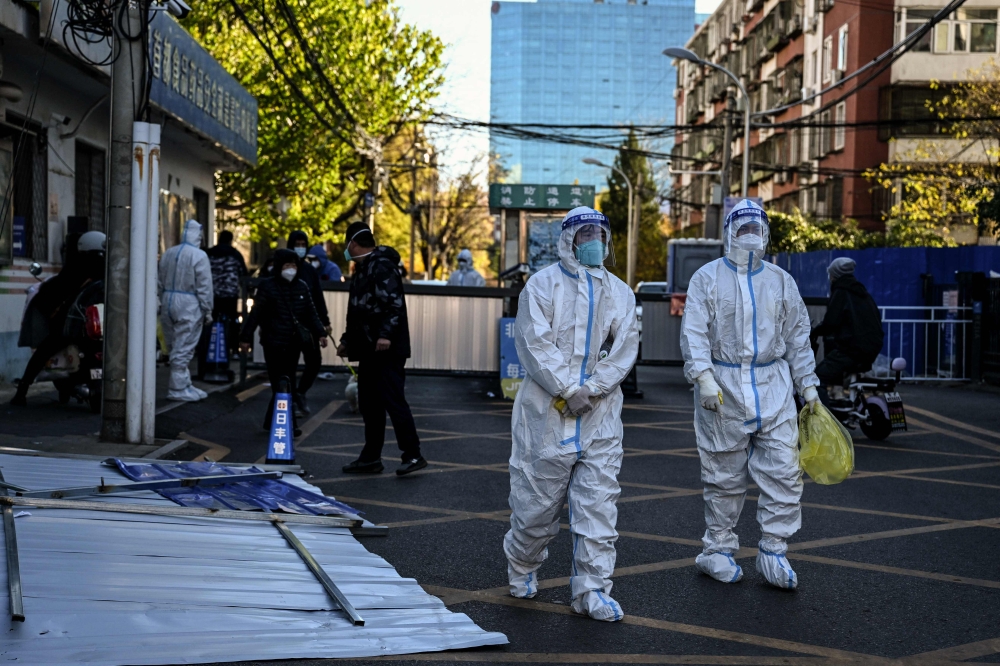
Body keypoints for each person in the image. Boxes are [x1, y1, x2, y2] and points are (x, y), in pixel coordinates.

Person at [504, 206, 639, 622]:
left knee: (598, 506)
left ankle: (593, 590)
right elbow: (532, 343)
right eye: (585, 235)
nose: (593, 241)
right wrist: (567, 388)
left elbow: (625, 347)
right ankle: (523, 565)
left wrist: (593, 390)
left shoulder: (620, 291)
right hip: (546, 412)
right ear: (568, 240)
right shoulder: (542, 286)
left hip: (600, 414)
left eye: (600, 233)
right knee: (535, 505)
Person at [679, 199, 820, 590]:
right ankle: (717, 550)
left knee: (784, 471)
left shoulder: (780, 280)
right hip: (724, 387)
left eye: (756, 228)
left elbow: (797, 335)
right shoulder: (707, 278)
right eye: (742, 228)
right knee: (723, 474)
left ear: (766, 233)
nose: (750, 235)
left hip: (773, 384)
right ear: (729, 233)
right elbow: (693, 332)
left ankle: (774, 551)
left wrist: (807, 384)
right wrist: (703, 377)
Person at [337, 222, 426, 476]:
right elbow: (357, 311)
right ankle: (370, 458)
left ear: (353, 243)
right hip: (368, 349)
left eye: (346, 244)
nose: (346, 249)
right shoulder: (363, 269)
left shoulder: (381, 265)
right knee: (369, 403)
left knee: (393, 400)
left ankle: (413, 454)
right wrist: (347, 340)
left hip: (387, 350)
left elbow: (393, 305)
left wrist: (385, 335)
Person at [11, 231, 106, 406]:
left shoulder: (75, 267)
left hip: (73, 325)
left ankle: (22, 390)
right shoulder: (107, 269)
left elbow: (53, 293)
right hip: (102, 326)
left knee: (44, 349)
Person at [240, 248, 328, 434]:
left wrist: (321, 332)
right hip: (273, 343)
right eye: (287, 265)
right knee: (281, 383)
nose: (291, 269)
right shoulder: (268, 286)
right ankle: (290, 424)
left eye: (294, 265)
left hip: (293, 343)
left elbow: (311, 313)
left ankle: (272, 422)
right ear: (279, 266)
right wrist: (245, 338)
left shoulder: (302, 286)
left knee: (284, 383)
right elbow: (255, 314)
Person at [811, 257, 884, 406]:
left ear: (834, 275)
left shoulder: (841, 292)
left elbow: (831, 322)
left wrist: (815, 331)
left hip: (852, 350)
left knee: (816, 379)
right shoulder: (861, 292)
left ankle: (823, 420)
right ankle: (842, 402)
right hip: (871, 349)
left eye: (830, 274)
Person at [158, 220, 214, 402]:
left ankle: (184, 383)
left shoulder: (168, 253)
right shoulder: (199, 256)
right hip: (189, 303)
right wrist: (208, 310)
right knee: (184, 346)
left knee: (174, 345)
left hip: (167, 300)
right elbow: (204, 286)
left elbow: (159, 280)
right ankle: (178, 388)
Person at [285, 230, 331, 417]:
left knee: (314, 362)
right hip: (288, 327)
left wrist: (324, 322)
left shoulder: (310, 271)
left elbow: (317, 299)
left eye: (304, 245)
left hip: (309, 326)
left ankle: (300, 392)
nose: (301, 248)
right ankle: (291, 401)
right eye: (298, 244)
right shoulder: (282, 269)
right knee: (289, 366)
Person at [206, 230, 248, 356]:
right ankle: (234, 349)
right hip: (230, 295)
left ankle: (209, 349)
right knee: (234, 320)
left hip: (213, 294)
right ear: (230, 240)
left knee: (211, 320)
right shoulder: (235, 254)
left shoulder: (209, 253)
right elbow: (243, 274)